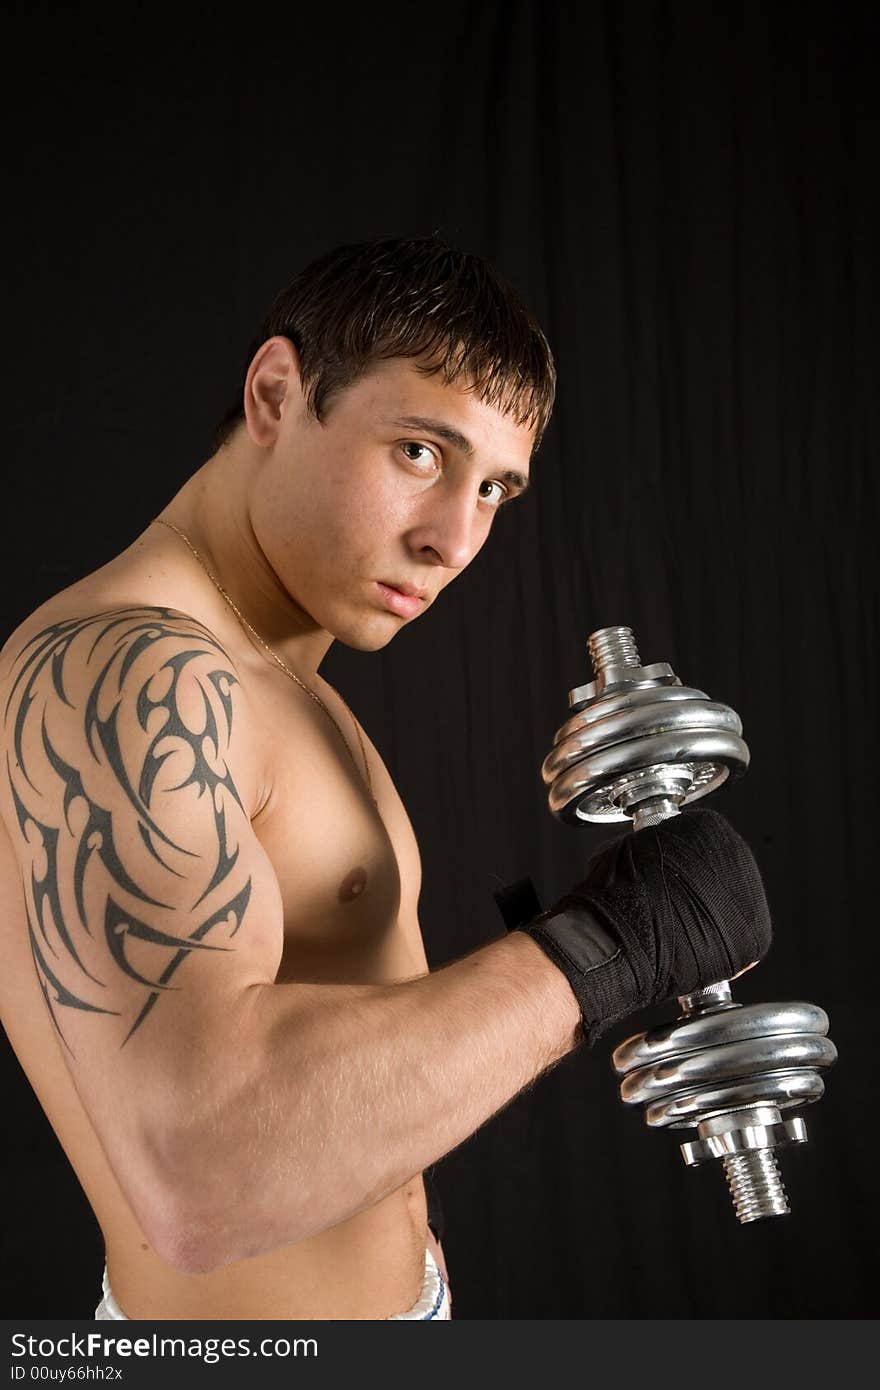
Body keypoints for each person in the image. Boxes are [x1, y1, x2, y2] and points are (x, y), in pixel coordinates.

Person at [0, 235, 771, 1320]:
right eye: (419, 451)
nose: (455, 537)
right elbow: (199, 1175)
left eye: (496, 488)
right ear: (276, 392)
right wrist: (604, 948)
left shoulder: (284, 675)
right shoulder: (130, 671)